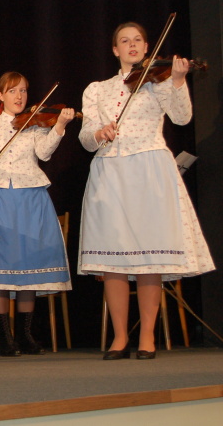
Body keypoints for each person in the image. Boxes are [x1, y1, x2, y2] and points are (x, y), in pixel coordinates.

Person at [78, 22, 214, 360]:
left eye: (137, 40)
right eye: (125, 41)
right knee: (113, 259)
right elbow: (85, 138)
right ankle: (120, 337)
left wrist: (178, 80)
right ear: (115, 50)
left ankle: (148, 336)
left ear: (147, 46)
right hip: (110, 171)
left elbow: (182, 118)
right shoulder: (97, 89)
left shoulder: (160, 81)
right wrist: (99, 133)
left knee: (148, 257)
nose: (132, 45)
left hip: (150, 169)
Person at [0, 71, 73, 356]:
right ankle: (4, 336)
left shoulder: (34, 125)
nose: (20, 96)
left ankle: (25, 334)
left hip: (31, 197)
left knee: (29, 265)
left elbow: (44, 153)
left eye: (23, 91)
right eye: (13, 91)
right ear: (0, 95)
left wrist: (59, 126)